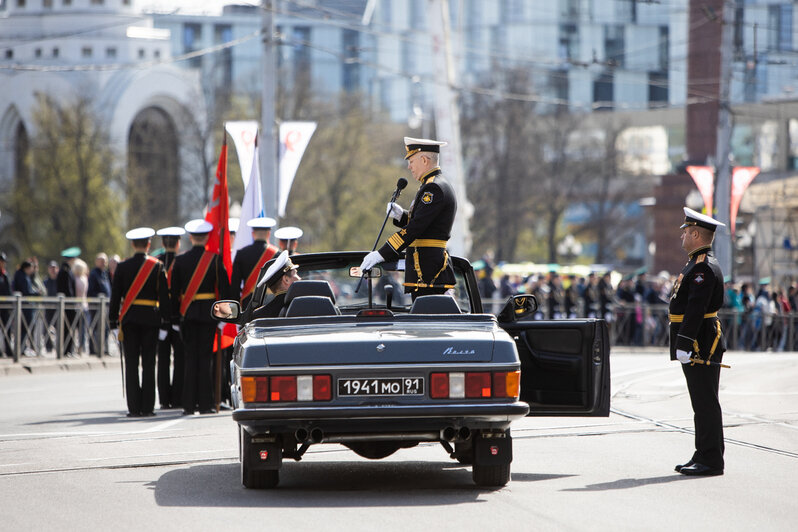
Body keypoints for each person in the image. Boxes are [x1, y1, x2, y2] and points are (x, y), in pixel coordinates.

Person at [359, 137, 457, 300]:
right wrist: (402, 215)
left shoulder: (433, 188)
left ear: (424, 160)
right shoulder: (433, 185)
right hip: (427, 273)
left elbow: (415, 228)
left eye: (411, 161)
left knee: (428, 322)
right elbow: (427, 225)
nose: (409, 166)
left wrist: (381, 254)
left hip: (428, 274)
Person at [670, 207, 726, 477]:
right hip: (698, 338)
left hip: (701, 340)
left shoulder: (702, 265)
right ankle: (703, 453)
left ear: (695, 233)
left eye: (685, 232)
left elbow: (695, 308)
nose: (681, 236)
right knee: (701, 401)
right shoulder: (696, 262)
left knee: (705, 401)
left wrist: (684, 342)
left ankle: (711, 460)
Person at [170, 219, 230, 416]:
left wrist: (174, 318)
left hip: (186, 315)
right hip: (208, 315)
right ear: (206, 238)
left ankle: (188, 405)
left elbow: (174, 293)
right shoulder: (214, 260)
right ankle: (205, 404)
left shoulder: (179, 260)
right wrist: (223, 316)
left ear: (190, 237)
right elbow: (224, 290)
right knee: (206, 360)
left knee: (189, 360)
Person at [110, 228, 171, 418]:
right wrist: (166, 322)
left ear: (132, 244)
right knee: (148, 364)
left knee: (131, 364)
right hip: (151, 320)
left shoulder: (122, 267)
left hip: (129, 320)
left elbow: (115, 297)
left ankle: (134, 408)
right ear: (149, 244)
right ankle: (147, 407)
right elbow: (164, 299)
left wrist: (113, 322)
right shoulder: (158, 266)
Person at [155, 226, 186, 410]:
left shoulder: (155, 262)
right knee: (180, 359)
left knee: (163, 359)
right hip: (178, 316)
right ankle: (177, 398)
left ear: (162, 243)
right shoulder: (182, 262)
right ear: (178, 243)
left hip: (160, 318)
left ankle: (164, 399)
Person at [231, 217, 279, 311]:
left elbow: (235, 285)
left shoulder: (241, 253)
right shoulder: (277, 254)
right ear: (268, 234)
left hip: (248, 302)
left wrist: (236, 306)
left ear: (253, 234)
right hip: (271, 302)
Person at [243, 250, 301, 320]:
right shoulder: (306, 304)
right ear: (286, 280)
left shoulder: (259, 314)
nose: (299, 278)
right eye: (295, 273)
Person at [56, 247, 80, 357]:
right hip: (67, 305)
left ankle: (69, 350)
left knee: (70, 328)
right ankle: (66, 350)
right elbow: (67, 289)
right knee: (67, 328)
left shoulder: (67, 270)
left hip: (68, 304)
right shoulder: (65, 271)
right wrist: (72, 302)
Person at [87, 253, 111, 356]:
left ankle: (104, 348)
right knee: (95, 328)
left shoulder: (105, 273)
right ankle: (93, 349)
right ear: (96, 262)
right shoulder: (94, 274)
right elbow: (91, 291)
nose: (103, 263)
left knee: (105, 328)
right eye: (101, 261)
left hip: (106, 306)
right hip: (96, 306)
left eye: (105, 261)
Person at [12, 260, 36, 354]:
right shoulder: (22, 277)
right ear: (26, 268)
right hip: (24, 306)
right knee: (24, 328)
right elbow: (26, 291)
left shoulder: (21, 275)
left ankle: (22, 348)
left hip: (23, 305)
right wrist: (36, 294)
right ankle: (21, 348)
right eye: (30, 268)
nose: (32, 270)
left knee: (22, 328)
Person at [0, 252, 11, 358]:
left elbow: (9, 291)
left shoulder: (5, 275)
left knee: (7, 328)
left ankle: (8, 350)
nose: (3, 264)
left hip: (5, 307)